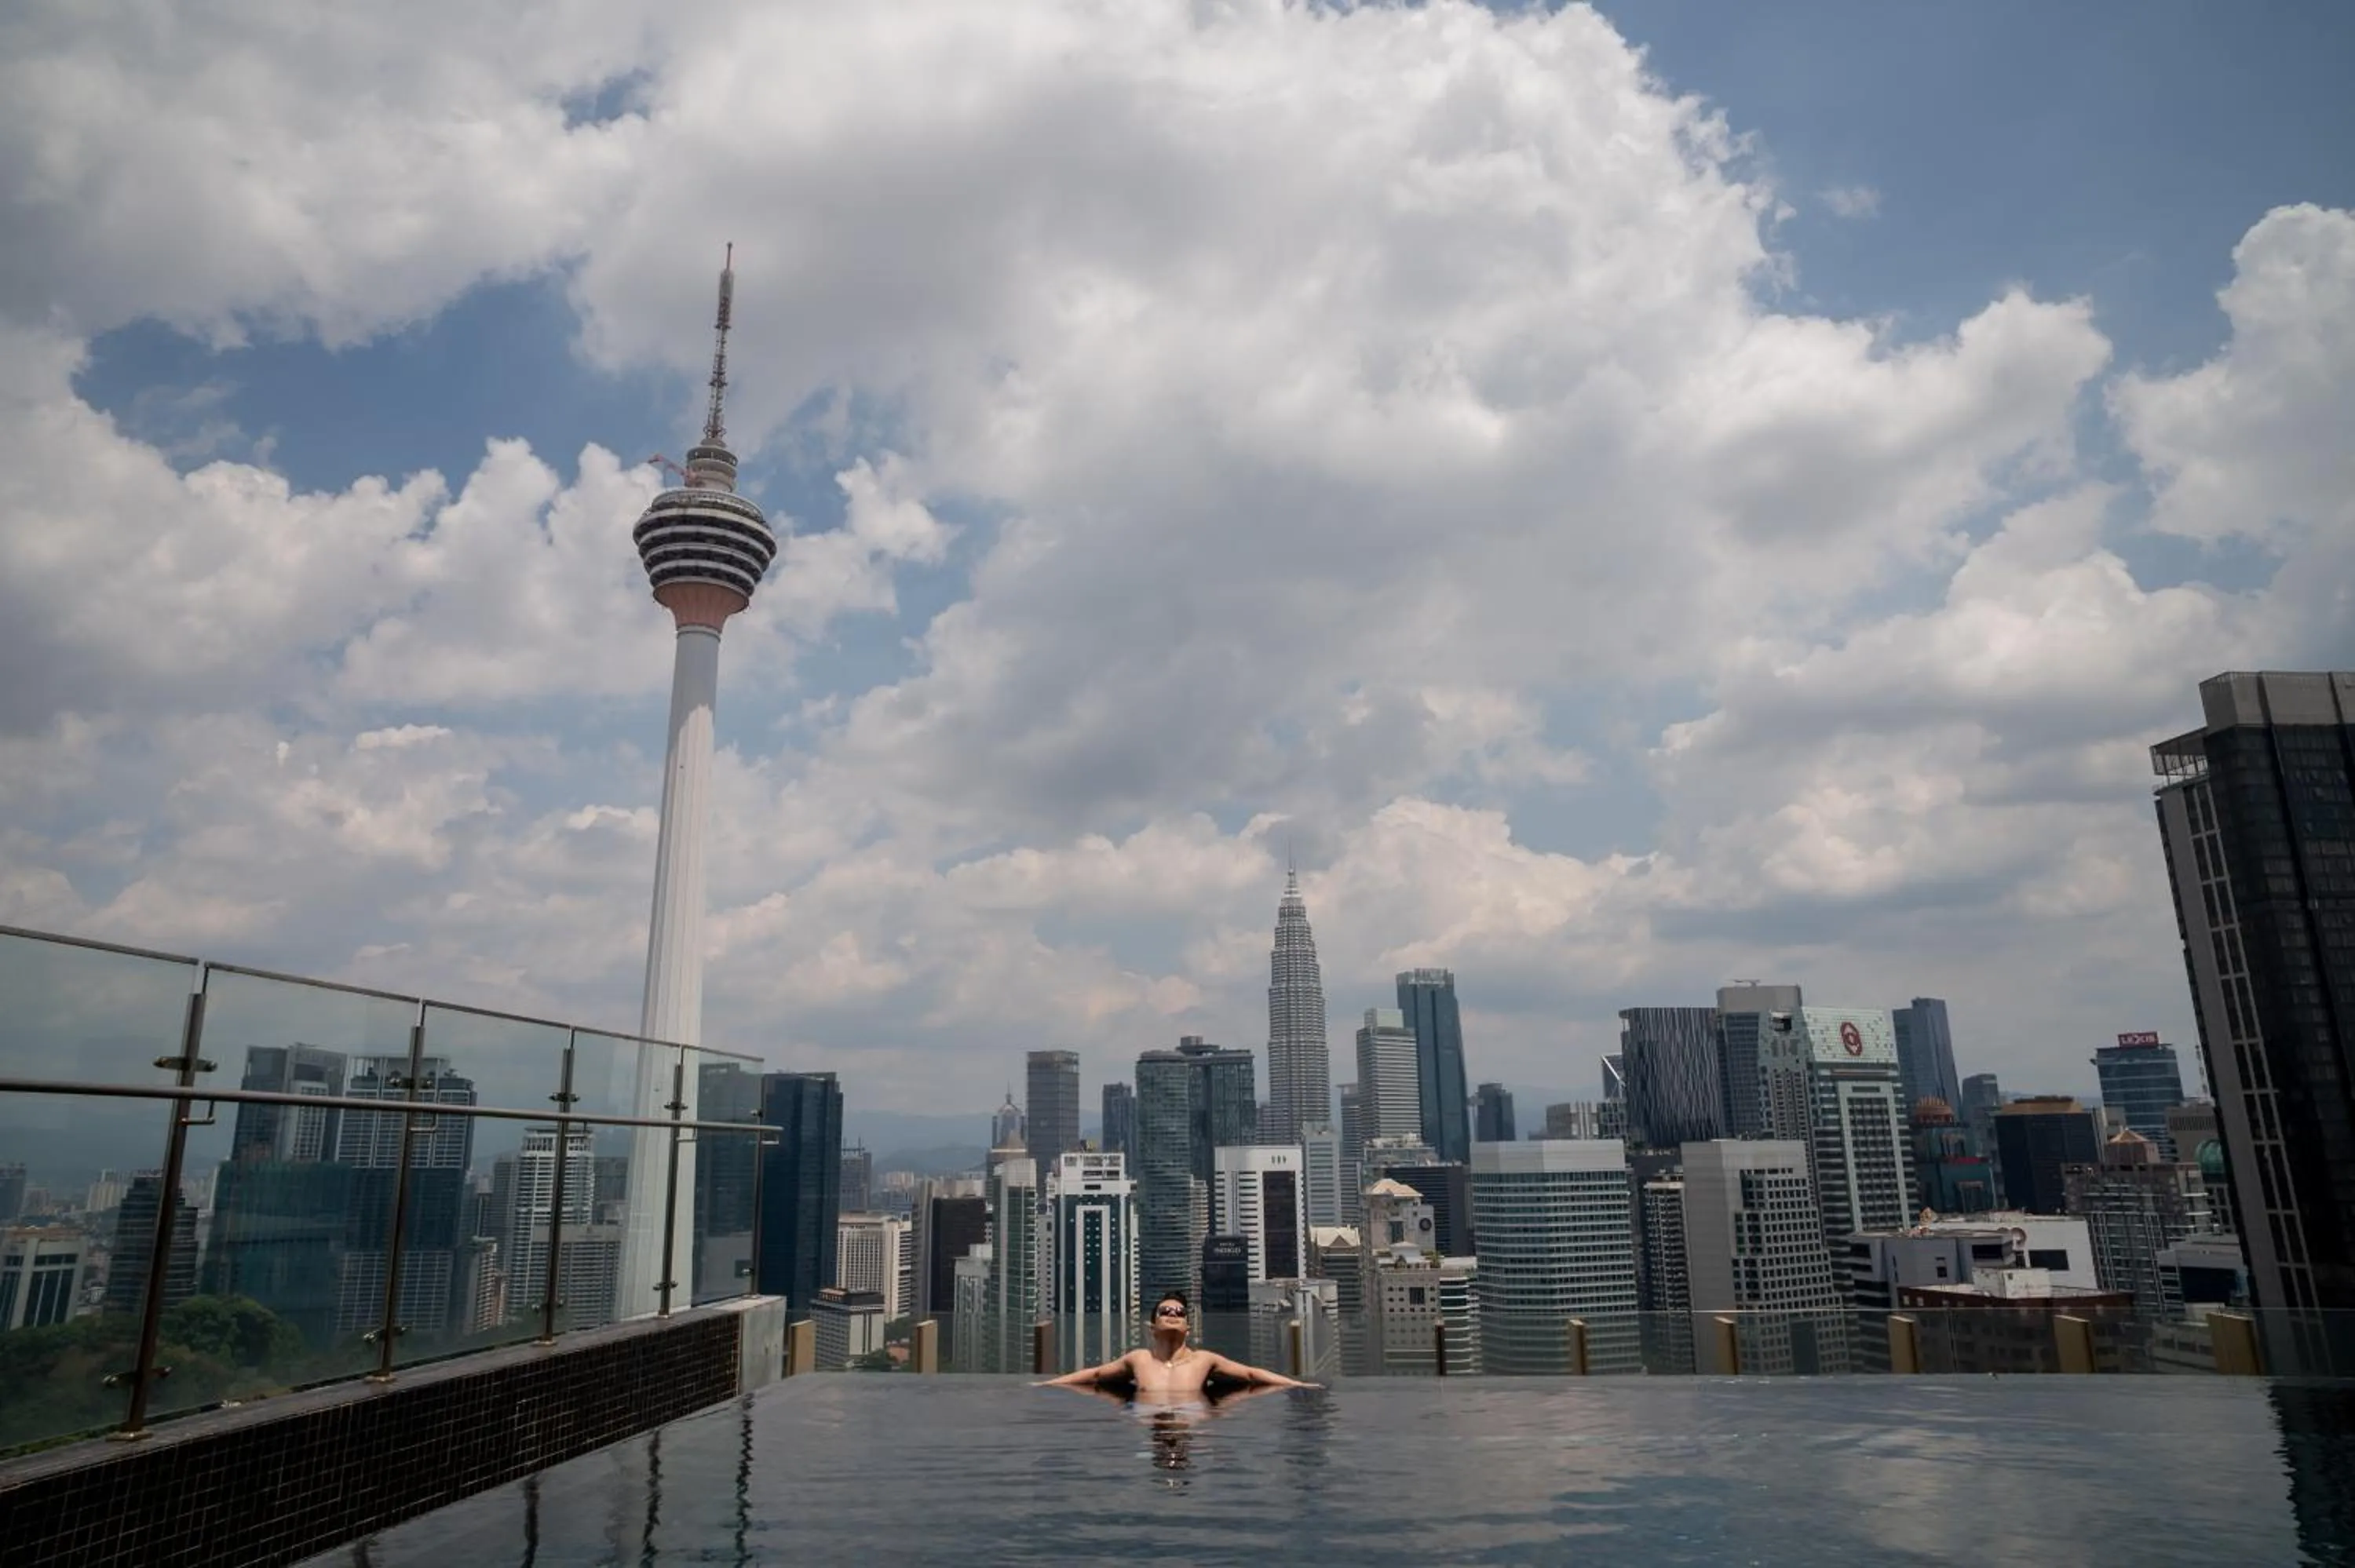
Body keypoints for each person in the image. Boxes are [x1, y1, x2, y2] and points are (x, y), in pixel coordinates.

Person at [1038, 1290, 1316, 1396]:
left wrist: (1298, 1385)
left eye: (1179, 1313)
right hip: (1148, 1425)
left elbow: (1252, 1374)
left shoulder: (1204, 1360)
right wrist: (1046, 1385)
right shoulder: (1139, 1359)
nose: (1172, 1314)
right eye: (1165, 1311)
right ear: (1152, 1327)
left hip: (1193, 1423)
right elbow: (1096, 1374)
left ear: (1188, 1328)